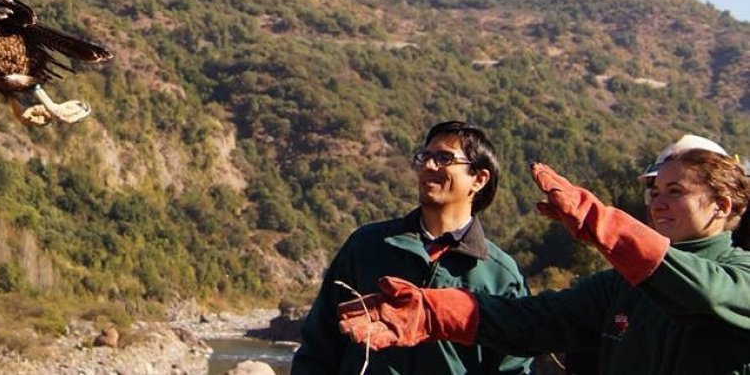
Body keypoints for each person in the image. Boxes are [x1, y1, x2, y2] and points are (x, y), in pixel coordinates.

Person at [337, 140, 750, 374]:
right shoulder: (619, 286)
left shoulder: (742, 275)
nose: (658, 204)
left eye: (675, 192)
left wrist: (603, 226)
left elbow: (705, 293)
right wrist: (436, 313)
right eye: (654, 192)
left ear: (723, 205)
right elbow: (534, 321)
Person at [292, 121, 534, 374]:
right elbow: (319, 344)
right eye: (425, 157)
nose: (429, 166)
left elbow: (513, 367)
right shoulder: (367, 246)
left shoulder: (500, 275)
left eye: (444, 158)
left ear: (479, 179)